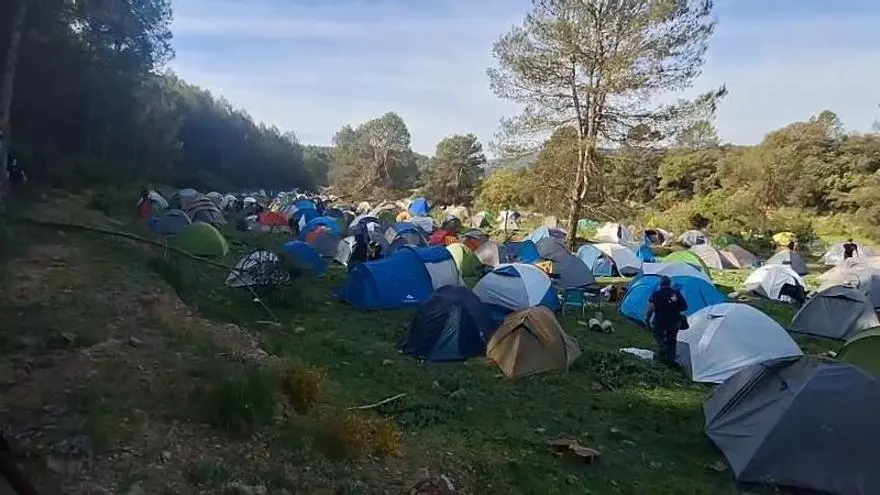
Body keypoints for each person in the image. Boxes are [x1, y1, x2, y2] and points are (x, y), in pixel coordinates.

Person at [645, 276, 688, 365]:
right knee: (672, 341)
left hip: (660, 321)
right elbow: (685, 307)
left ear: (661, 284)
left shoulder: (656, 294)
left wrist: (647, 319)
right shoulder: (676, 294)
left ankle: (663, 347)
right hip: (674, 322)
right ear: (670, 284)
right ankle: (671, 361)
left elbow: (651, 308)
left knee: (657, 334)